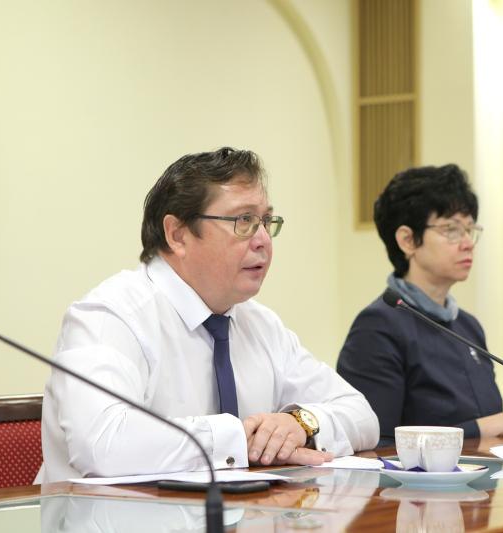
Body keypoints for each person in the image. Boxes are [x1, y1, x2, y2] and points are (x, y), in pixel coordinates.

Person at [36, 147, 379, 482]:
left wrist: (300, 424)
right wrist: (239, 440)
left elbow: (362, 414)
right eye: (244, 221)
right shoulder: (110, 316)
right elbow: (102, 445)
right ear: (178, 235)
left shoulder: (260, 324)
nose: (263, 239)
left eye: (265, 221)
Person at [337, 164, 503, 446]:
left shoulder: (468, 326)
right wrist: (498, 424)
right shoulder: (377, 327)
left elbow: (477, 425)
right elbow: (375, 443)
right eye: (452, 230)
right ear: (407, 240)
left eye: (470, 230)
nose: (468, 243)